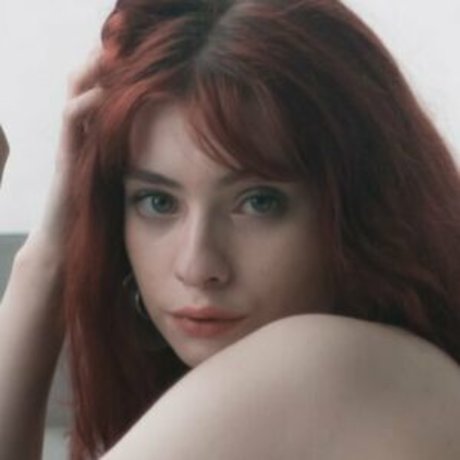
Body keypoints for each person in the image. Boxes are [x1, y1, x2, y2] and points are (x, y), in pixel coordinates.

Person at [1, 0, 460, 458]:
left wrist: (45, 262)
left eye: (258, 203)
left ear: (360, 207)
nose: (197, 266)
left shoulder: (329, 363)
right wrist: (53, 251)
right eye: (158, 202)